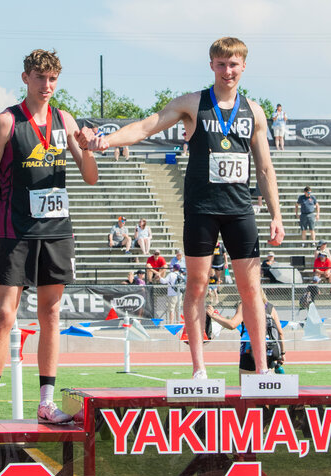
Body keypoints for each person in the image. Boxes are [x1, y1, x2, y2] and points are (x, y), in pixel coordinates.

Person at [88, 36, 285, 379]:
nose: (228, 71)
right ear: (212, 65)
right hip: (202, 209)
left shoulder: (254, 111)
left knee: (251, 289)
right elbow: (147, 125)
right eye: (221, 64)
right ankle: (199, 370)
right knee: (196, 286)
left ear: (243, 66)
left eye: (234, 64)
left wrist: (277, 216)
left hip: (240, 210)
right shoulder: (193, 104)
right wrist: (108, 140)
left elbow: (265, 168)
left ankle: (264, 371)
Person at [0, 48, 98, 426]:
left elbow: (90, 176)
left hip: (57, 230)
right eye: (40, 78)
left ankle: (47, 402)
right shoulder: (7, 121)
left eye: (53, 78)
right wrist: (2, 223)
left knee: (51, 314)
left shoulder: (64, 119)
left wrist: (86, 149)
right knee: (6, 315)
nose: (47, 85)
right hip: (16, 231)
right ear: (26, 78)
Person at [206, 289, 285, 378]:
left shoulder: (245, 305)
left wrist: (213, 316)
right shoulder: (270, 307)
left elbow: (232, 325)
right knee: (265, 386)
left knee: (246, 388)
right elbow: (280, 332)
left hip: (249, 348)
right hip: (269, 349)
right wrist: (282, 353)